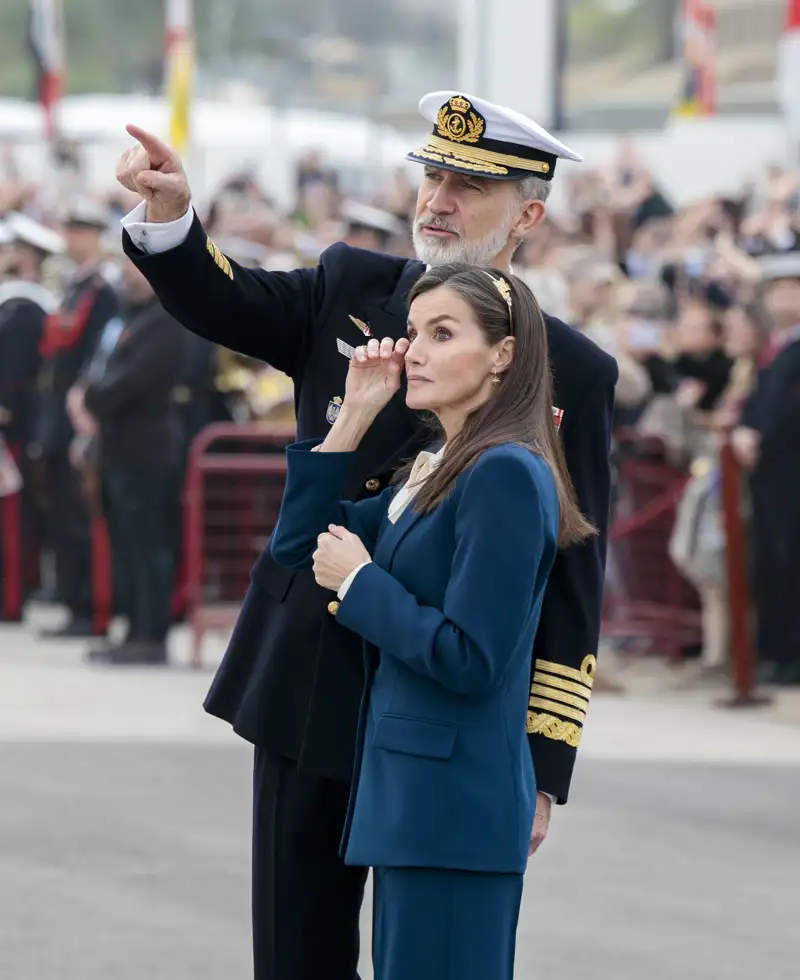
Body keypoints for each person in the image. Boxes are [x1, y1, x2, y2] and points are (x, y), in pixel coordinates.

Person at [115, 90, 618, 979]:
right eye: (432, 175)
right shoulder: (350, 285)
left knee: (426, 952)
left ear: (527, 214)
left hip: (443, 711)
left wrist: (542, 762)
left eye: (468, 185)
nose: (437, 199)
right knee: (296, 951)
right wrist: (171, 220)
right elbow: (226, 299)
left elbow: (573, 583)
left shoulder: (569, 367)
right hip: (312, 672)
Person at [270, 264, 594, 979]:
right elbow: (299, 546)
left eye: (441, 334)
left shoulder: (504, 473)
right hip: (416, 807)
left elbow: (472, 657)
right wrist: (353, 415)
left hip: (453, 809)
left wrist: (360, 583)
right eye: (414, 331)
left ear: (502, 355)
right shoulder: (441, 464)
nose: (412, 350)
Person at [67, 259, 188, 666]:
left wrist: (92, 398)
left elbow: (134, 379)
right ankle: (133, 630)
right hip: (119, 446)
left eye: (139, 267)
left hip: (147, 449)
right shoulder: (128, 316)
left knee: (147, 545)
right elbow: (101, 366)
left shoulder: (167, 320)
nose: (131, 275)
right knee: (127, 544)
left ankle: (150, 636)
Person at [36, 200, 119, 639]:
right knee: (62, 517)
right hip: (57, 417)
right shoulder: (74, 287)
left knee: (78, 517)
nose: (68, 238)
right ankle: (72, 601)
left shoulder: (102, 292)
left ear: (92, 235)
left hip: (81, 419)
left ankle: (88, 606)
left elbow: (94, 360)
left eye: (76, 230)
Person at [733, 251, 800, 686]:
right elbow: (759, 403)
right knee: (772, 563)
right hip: (769, 475)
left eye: (791, 289)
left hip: (789, 470)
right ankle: (776, 651)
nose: (783, 299)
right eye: (776, 290)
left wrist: (761, 440)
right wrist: (743, 431)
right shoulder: (775, 348)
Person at [0, 213, 62, 620]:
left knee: (13, 516)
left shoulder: (23, 307)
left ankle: (11, 596)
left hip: (13, 424)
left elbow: (14, 372)